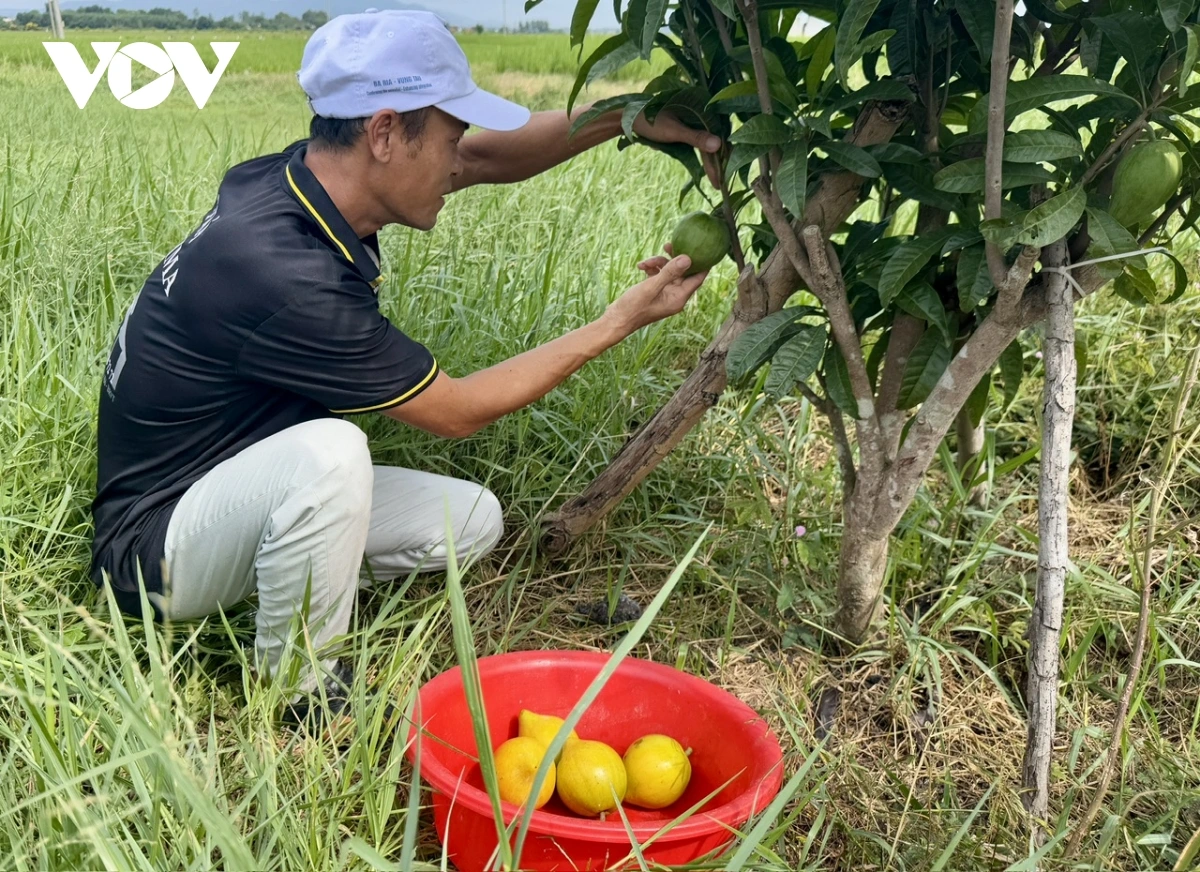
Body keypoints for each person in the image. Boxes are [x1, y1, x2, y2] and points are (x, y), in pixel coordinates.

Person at [88, 9, 719, 727]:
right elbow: (457, 411)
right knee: (330, 455)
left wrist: (629, 116)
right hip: (152, 554)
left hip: (234, 488)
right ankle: (300, 697)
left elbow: (485, 160)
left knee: (470, 521)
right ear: (385, 132)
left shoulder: (308, 181)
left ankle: (281, 573)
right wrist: (618, 321)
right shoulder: (279, 270)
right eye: (449, 137)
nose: (458, 160)